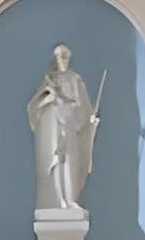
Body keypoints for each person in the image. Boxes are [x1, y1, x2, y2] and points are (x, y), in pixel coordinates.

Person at [24, 42, 98, 212]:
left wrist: (90, 120)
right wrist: (49, 99)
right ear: (55, 59)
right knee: (56, 162)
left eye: (64, 56)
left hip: (70, 126)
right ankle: (58, 200)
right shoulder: (50, 79)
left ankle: (71, 199)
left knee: (70, 162)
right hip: (53, 128)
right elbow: (34, 107)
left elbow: (83, 107)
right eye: (59, 56)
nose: (62, 59)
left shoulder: (75, 79)